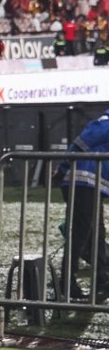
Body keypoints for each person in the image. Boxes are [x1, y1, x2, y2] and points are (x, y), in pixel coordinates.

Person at [54, 110, 109, 301]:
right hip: (82, 184)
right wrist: (62, 170)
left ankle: (102, 280)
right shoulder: (105, 124)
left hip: (91, 186)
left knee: (96, 235)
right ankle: (66, 284)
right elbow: (78, 145)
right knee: (80, 235)